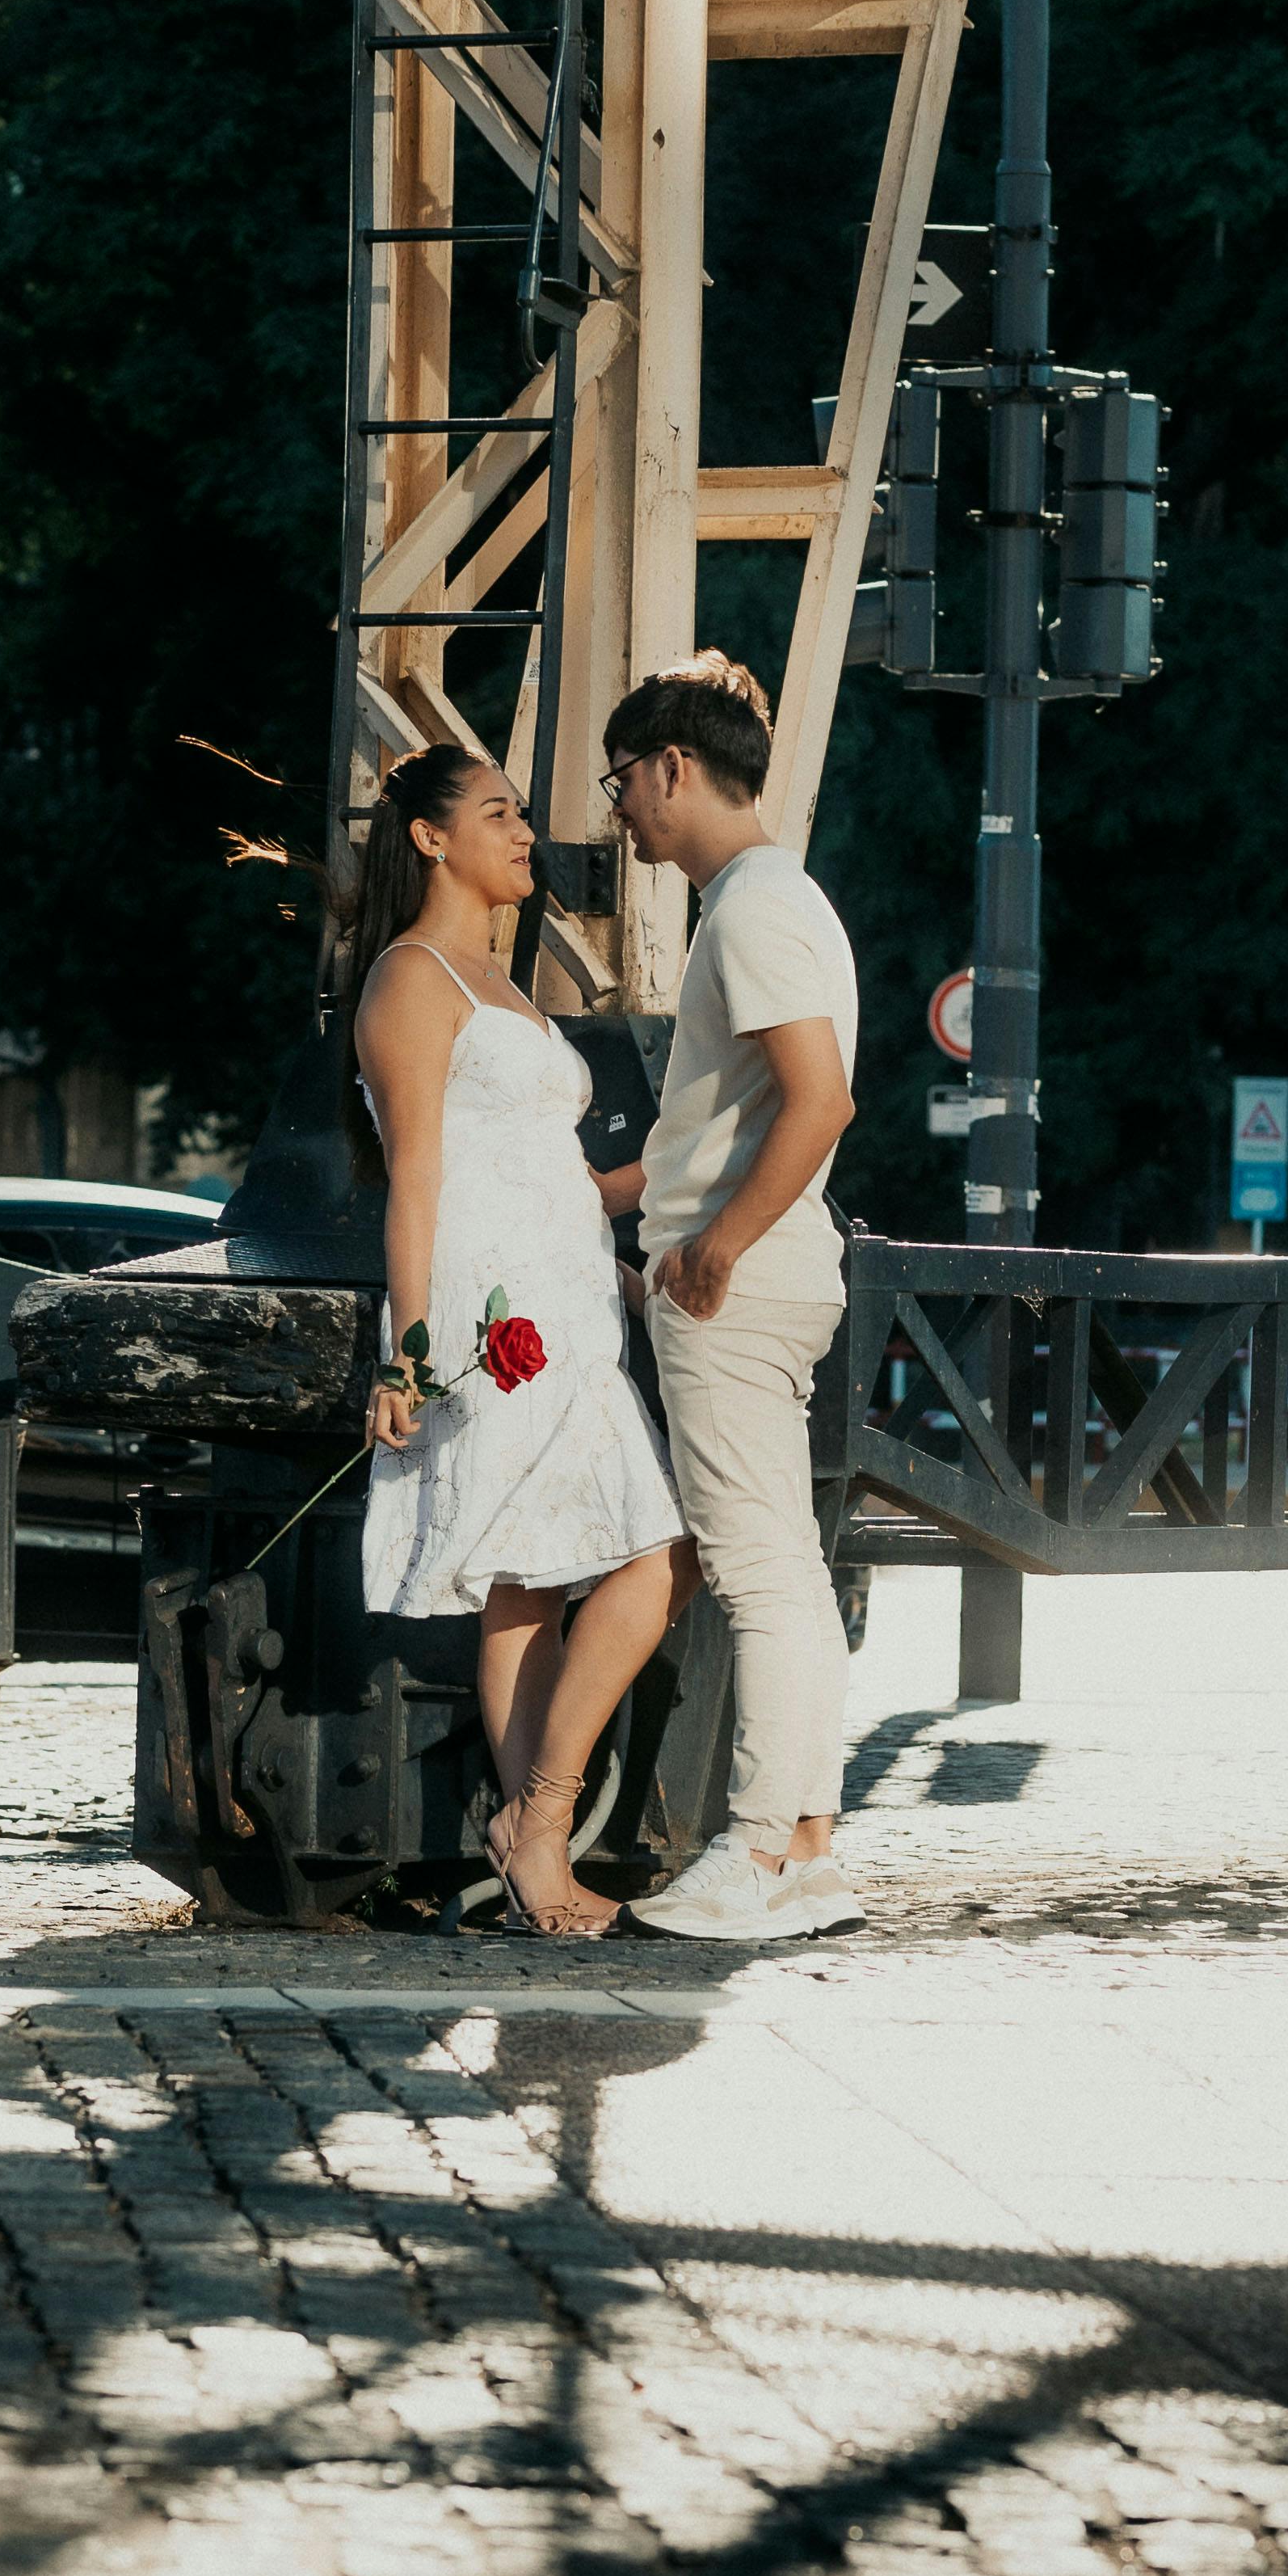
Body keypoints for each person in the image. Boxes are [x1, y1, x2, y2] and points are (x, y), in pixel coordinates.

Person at [347, 742, 693, 1939]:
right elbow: (416, 1180)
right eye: (496, 814)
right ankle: (535, 1832)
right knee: (537, 1578)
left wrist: (702, 1162)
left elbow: (566, 1183)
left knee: (616, 1565)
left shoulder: (509, 989)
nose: (523, 834)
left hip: (576, 1305)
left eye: (522, 816)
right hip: (493, 1317)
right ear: (431, 839)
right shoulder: (409, 979)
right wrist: (406, 1352)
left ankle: (530, 1825)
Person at [598, 656, 863, 1942]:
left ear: (672, 768)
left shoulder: (750, 908)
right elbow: (731, 1119)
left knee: (757, 1574)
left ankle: (759, 1850)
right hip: (761, 1265)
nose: (621, 815)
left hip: (736, 1279)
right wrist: (618, 1196)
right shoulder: (775, 897)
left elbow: (820, 1101)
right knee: (785, 1570)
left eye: (623, 783)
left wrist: (709, 1249)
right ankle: (803, 1847)